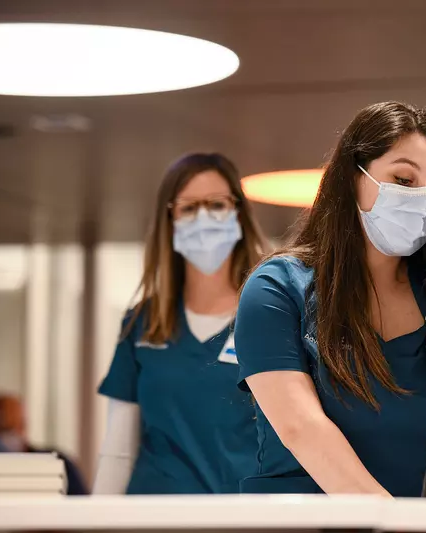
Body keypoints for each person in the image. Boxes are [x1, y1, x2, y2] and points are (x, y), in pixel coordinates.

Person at [234, 102, 426, 497]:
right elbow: (302, 428)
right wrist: (392, 519)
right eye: (403, 178)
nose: (423, 199)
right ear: (352, 178)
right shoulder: (278, 290)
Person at [94, 153, 268, 495]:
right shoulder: (142, 324)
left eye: (216, 205)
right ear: (170, 219)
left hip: (242, 518)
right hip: (153, 518)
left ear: (238, 214)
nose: (203, 218)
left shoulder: (268, 318)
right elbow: (118, 451)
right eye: (189, 208)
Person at [0, 394, 87, 495]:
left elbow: (82, 505)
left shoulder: (56, 463)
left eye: (11, 428)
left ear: (23, 425)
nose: (6, 438)